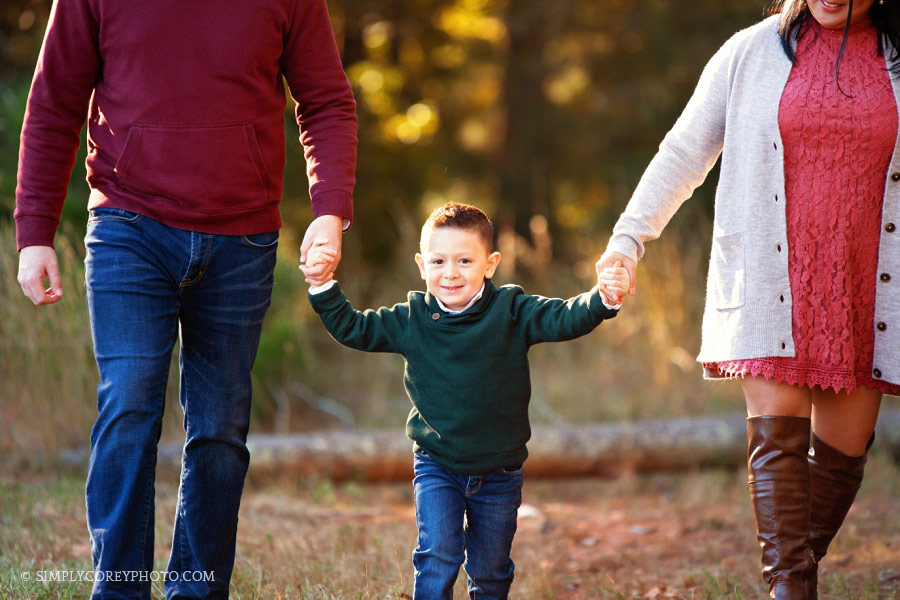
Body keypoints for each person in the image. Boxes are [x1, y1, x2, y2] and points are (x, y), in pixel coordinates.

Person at [14, 0, 357, 597]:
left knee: (221, 426)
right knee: (128, 405)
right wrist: (35, 232)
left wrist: (329, 208)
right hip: (129, 225)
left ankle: (197, 590)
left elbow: (325, 99)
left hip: (242, 235)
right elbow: (54, 101)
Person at [595, 0, 900, 597]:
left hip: (866, 287)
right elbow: (684, 152)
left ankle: (789, 578)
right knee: (778, 448)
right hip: (768, 277)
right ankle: (789, 589)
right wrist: (627, 240)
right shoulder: (750, 52)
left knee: (841, 459)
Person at [303, 202, 629, 599]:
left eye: (464, 260)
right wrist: (322, 285)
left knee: (490, 572)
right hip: (437, 463)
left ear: (489, 264)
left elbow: (564, 317)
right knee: (437, 556)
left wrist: (603, 298)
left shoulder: (512, 311)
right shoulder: (411, 319)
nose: (450, 272)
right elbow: (354, 327)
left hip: (500, 471)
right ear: (422, 265)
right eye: (438, 261)